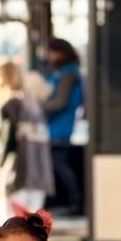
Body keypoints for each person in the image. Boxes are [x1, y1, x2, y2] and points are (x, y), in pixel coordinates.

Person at [0, 58, 54, 222]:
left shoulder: (9, 105)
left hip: (16, 175)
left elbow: (5, 143)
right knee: (32, 230)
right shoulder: (34, 105)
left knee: (10, 227)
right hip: (39, 175)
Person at [42, 39, 85, 215]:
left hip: (58, 127)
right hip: (56, 127)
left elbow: (59, 102)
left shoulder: (67, 75)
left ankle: (75, 200)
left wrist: (38, 108)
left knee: (59, 164)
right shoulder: (63, 73)